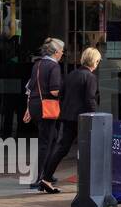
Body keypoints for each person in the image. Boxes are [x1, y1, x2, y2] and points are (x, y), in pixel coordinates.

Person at [37, 47, 101, 195]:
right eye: (98, 60)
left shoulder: (71, 74)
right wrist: (95, 117)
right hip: (84, 119)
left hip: (67, 117)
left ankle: (45, 178)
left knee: (61, 148)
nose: (98, 63)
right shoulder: (90, 77)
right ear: (94, 61)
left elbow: (62, 94)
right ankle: (88, 182)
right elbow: (90, 99)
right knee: (88, 150)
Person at [24, 37, 64, 190]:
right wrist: (65, 93)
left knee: (51, 138)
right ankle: (40, 177)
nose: (62, 54)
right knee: (46, 142)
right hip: (47, 107)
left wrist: (28, 108)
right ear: (55, 52)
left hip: (35, 106)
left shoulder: (38, 64)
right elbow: (54, 91)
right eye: (61, 51)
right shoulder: (54, 67)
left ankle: (48, 173)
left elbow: (30, 87)